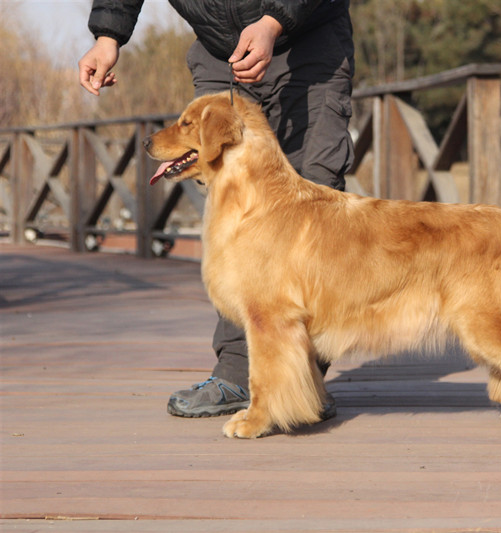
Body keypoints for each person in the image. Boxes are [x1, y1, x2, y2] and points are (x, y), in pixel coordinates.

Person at [79, 0, 354, 421]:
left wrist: (272, 22)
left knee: (314, 210)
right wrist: (107, 36)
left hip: (309, 45)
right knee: (234, 211)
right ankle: (238, 375)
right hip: (219, 50)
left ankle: (304, 379)